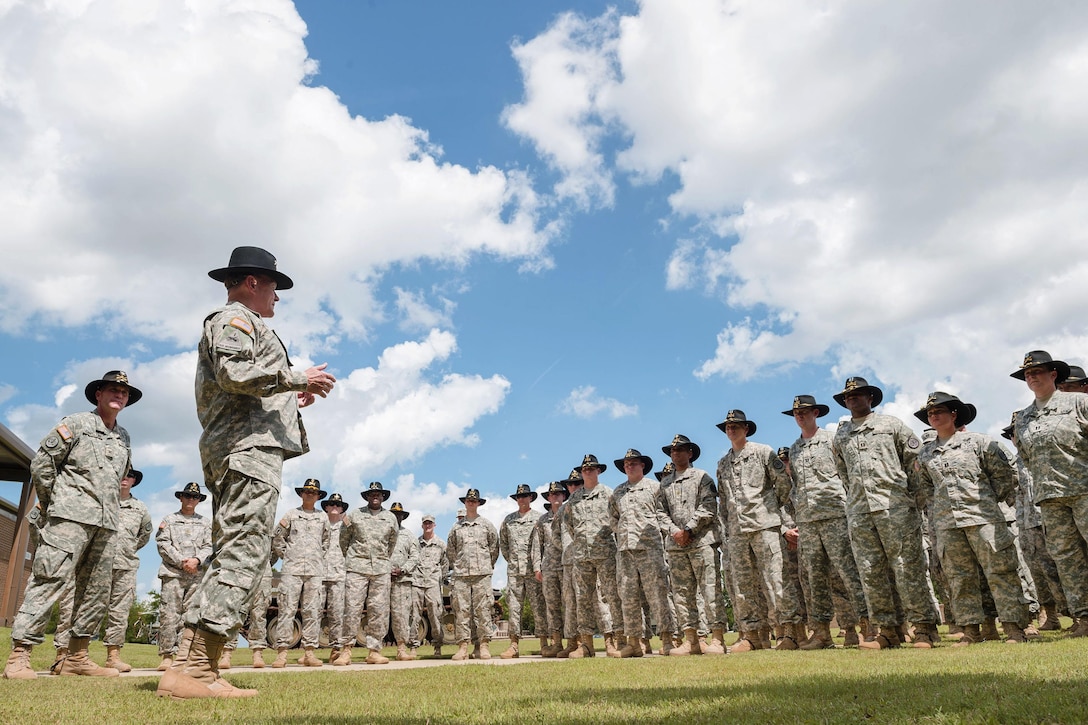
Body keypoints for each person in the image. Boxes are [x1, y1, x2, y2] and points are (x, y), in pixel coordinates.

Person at [158, 246, 336, 700]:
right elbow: (234, 372)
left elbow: (244, 386)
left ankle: (191, 664)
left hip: (248, 449)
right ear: (252, 282)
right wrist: (296, 378)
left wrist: (286, 398)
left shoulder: (251, 325)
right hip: (247, 453)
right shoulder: (233, 319)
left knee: (236, 553)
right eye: (274, 285)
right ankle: (194, 672)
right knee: (244, 554)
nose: (278, 296)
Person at [4, 371, 139, 680]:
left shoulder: (124, 437)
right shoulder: (76, 423)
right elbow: (42, 464)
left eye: (124, 392)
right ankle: (20, 655)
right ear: (98, 395)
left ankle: (75, 656)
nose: (119, 395)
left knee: (95, 591)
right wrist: (55, 504)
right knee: (49, 580)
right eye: (113, 390)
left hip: (106, 524)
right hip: (69, 519)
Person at [914, 392, 1033, 644]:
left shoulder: (978, 443)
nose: (933, 416)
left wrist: (988, 503)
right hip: (948, 525)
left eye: (939, 412)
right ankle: (970, 631)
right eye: (930, 414)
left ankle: (1014, 629)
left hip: (984, 519)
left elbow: (1005, 477)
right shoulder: (925, 455)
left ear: (953, 414)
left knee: (1001, 574)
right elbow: (926, 490)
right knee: (960, 579)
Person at [831, 376, 939, 649]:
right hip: (860, 511)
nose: (852, 398)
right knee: (871, 572)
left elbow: (915, 463)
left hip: (896, 508)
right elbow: (843, 473)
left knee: (908, 568)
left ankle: (924, 628)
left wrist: (911, 498)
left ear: (871, 398)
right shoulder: (841, 435)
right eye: (848, 396)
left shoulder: (891, 425)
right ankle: (888, 630)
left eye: (858, 394)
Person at [1011, 351, 1088, 637]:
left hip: (1083, 489)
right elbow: (1028, 457)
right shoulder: (1024, 418)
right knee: (1068, 560)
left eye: (1038, 372)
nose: (1032, 377)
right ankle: (1084, 619)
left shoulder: (1079, 402)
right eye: (1027, 374)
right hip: (1049, 498)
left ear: (1053, 374)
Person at [782, 396, 869, 650]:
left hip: (835, 516)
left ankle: (866, 627)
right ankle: (821, 633)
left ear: (816, 413)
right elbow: (795, 486)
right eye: (796, 412)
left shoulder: (833, 439)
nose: (800, 416)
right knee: (813, 579)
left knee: (848, 574)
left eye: (805, 411)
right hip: (808, 522)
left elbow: (848, 473)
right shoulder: (794, 448)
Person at [715, 410, 804, 651]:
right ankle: (751, 635)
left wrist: (770, 509)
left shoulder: (763, 452)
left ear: (746, 428)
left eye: (736, 426)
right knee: (743, 585)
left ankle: (789, 632)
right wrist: (728, 529)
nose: (731, 430)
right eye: (728, 427)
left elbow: (784, 484)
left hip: (764, 526)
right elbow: (723, 501)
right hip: (737, 531)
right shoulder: (723, 463)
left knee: (776, 578)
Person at [52, 468, 152, 673]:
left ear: (134, 481)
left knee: (119, 612)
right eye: (123, 473)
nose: (126, 478)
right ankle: (64, 654)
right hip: (94, 563)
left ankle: (113, 656)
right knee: (78, 607)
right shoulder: (101, 501)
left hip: (124, 565)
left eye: (130, 475)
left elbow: (143, 537)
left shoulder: (140, 508)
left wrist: (125, 549)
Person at [657, 434, 727, 655]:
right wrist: (674, 531)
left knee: (710, 590)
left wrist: (688, 529)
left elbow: (709, 506)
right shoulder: (665, 484)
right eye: (673, 450)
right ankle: (691, 640)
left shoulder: (702, 477)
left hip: (701, 542)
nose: (676, 453)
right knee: (682, 593)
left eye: (681, 450)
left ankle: (717, 639)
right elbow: (659, 512)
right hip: (676, 546)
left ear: (690, 453)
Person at [609, 448, 678, 658]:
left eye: (634, 463)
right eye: (626, 463)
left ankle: (667, 639)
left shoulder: (655, 488)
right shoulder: (618, 492)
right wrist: (623, 534)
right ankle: (634, 643)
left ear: (643, 466)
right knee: (628, 597)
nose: (629, 466)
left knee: (658, 594)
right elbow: (613, 519)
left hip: (650, 549)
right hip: (626, 551)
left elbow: (665, 514)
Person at [1003, 418, 1069, 631]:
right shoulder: (1015, 462)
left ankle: (1078, 615)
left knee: (1061, 567)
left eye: (1019, 432)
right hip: (1026, 523)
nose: (1016, 437)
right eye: (1013, 434)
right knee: (1037, 572)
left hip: (1048, 518)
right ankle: (1049, 614)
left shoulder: (1043, 452)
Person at [271, 478, 331, 668]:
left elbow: (326, 542)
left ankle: (309, 652)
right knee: (286, 610)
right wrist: (286, 554)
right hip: (292, 570)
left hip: (314, 571)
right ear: (301, 494)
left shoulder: (323, 517)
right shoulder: (291, 515)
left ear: (318, 496)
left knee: (312, 612)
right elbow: (277, 536)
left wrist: (317, 557)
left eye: (313, 492)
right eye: (306, 492)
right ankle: (282, 653)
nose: (309, 495)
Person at [337, 482, 400, 665]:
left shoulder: (390, 518)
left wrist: (381, 560)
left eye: (378, 494)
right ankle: (346, 650)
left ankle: (374, 651)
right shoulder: (355, 515)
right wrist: (354, 558)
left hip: (380, 569)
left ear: (383, 497)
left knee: (378, 610)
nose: (375, 496)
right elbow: (344, 540)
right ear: (367, 496)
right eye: (372, 493)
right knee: (352, 608)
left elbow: (391, 543)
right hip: (357, 568)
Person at [156, 482, 213, 670]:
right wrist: (182, 561)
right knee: (169, 614)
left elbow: (209, 546)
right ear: (180, 498)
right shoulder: (169, 520)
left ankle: (183, 654)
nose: (191, 499)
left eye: (194, 497)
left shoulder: (205, 523)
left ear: (199, 500)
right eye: (187, 496)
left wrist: (196, 560)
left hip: (196, 575)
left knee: (190, 616)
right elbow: (163, 543)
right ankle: (166, 655)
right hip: (173, 573)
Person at [447, 489, 499, 660]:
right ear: (465, 503)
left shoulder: (486, 525)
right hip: (461, 576)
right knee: (461, 612)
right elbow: (451, 551)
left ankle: (482, 645)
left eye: (474, 500)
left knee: (483, 611)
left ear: (478, 503)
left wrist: (485, 565)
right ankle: (463, 647)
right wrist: (460, 567)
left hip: (482, 574)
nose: (471, 503)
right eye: (469, 500)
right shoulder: (456, 528)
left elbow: (494, 548)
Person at [499, 484, 545, 658]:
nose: (522, 499)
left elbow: (542, 544)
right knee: (514, 608)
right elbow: (503, 543)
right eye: (519, 497)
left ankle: (544, 643)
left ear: (531, 498)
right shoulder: (508, 520)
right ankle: (514, 645)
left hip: (534, 571)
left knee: (538, 607)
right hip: (515, 572)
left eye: (525, 496)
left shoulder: (538, 519)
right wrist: (511, 560)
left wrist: (538, 565)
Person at [531, 481, 568, 657]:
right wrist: (537, 567)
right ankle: (557, 643)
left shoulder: (569, 513)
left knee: (569, 604)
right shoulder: (542, 520)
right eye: (551, 495)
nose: (554, 497)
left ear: (563, 496)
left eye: (557, 494)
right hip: (549, 568)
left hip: (567, 565)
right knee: (552, 606)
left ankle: (574, 642)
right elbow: (537, 546)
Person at [389, 502, 421, 661]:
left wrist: (402, 569)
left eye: (399, 514)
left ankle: (401, 649)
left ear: (403, 517)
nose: (396, 516)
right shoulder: (382, 532)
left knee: (401, 617)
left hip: (401, 581)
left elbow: (415, 557)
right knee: (377, 616)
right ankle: (373, 651)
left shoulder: (409, 536)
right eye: (393, 514)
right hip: (381, 580)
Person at [320, 493, 350, 664]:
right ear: (326, 507)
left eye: (338, 505)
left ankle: (335, 649)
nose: (335, 507)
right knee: (313, 614)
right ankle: (308, 650)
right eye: (331, 504)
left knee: (337, 614)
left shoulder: (346, 527)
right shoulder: (318, 523)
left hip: (339, 575)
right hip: (318, 574)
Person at [416, 514, 449, 657]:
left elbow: (445, 564)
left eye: (430, 523)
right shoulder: (415, 543)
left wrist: (439, 579)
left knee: (436, 615)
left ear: (434, 525)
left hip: (433, 584)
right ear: (422, 525)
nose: (427, 525)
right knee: (414, 615)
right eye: (425, 523)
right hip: (417, 582)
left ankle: (437, 646)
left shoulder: (441, 544)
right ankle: (412, 646)